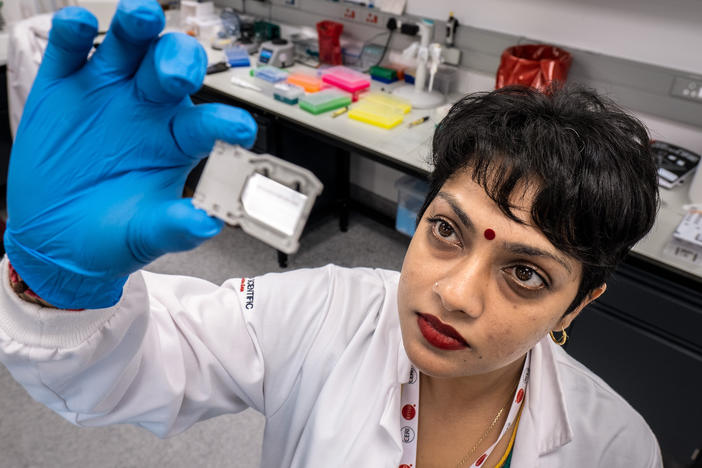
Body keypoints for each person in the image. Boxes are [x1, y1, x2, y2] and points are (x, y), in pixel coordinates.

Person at [0, 1, 662, 467]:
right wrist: (59, 289)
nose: (455, 294)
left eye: (526, 273)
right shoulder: (328, 313)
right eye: (445, 230)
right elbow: (157, 359)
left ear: (577, 303)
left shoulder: (615, 449)